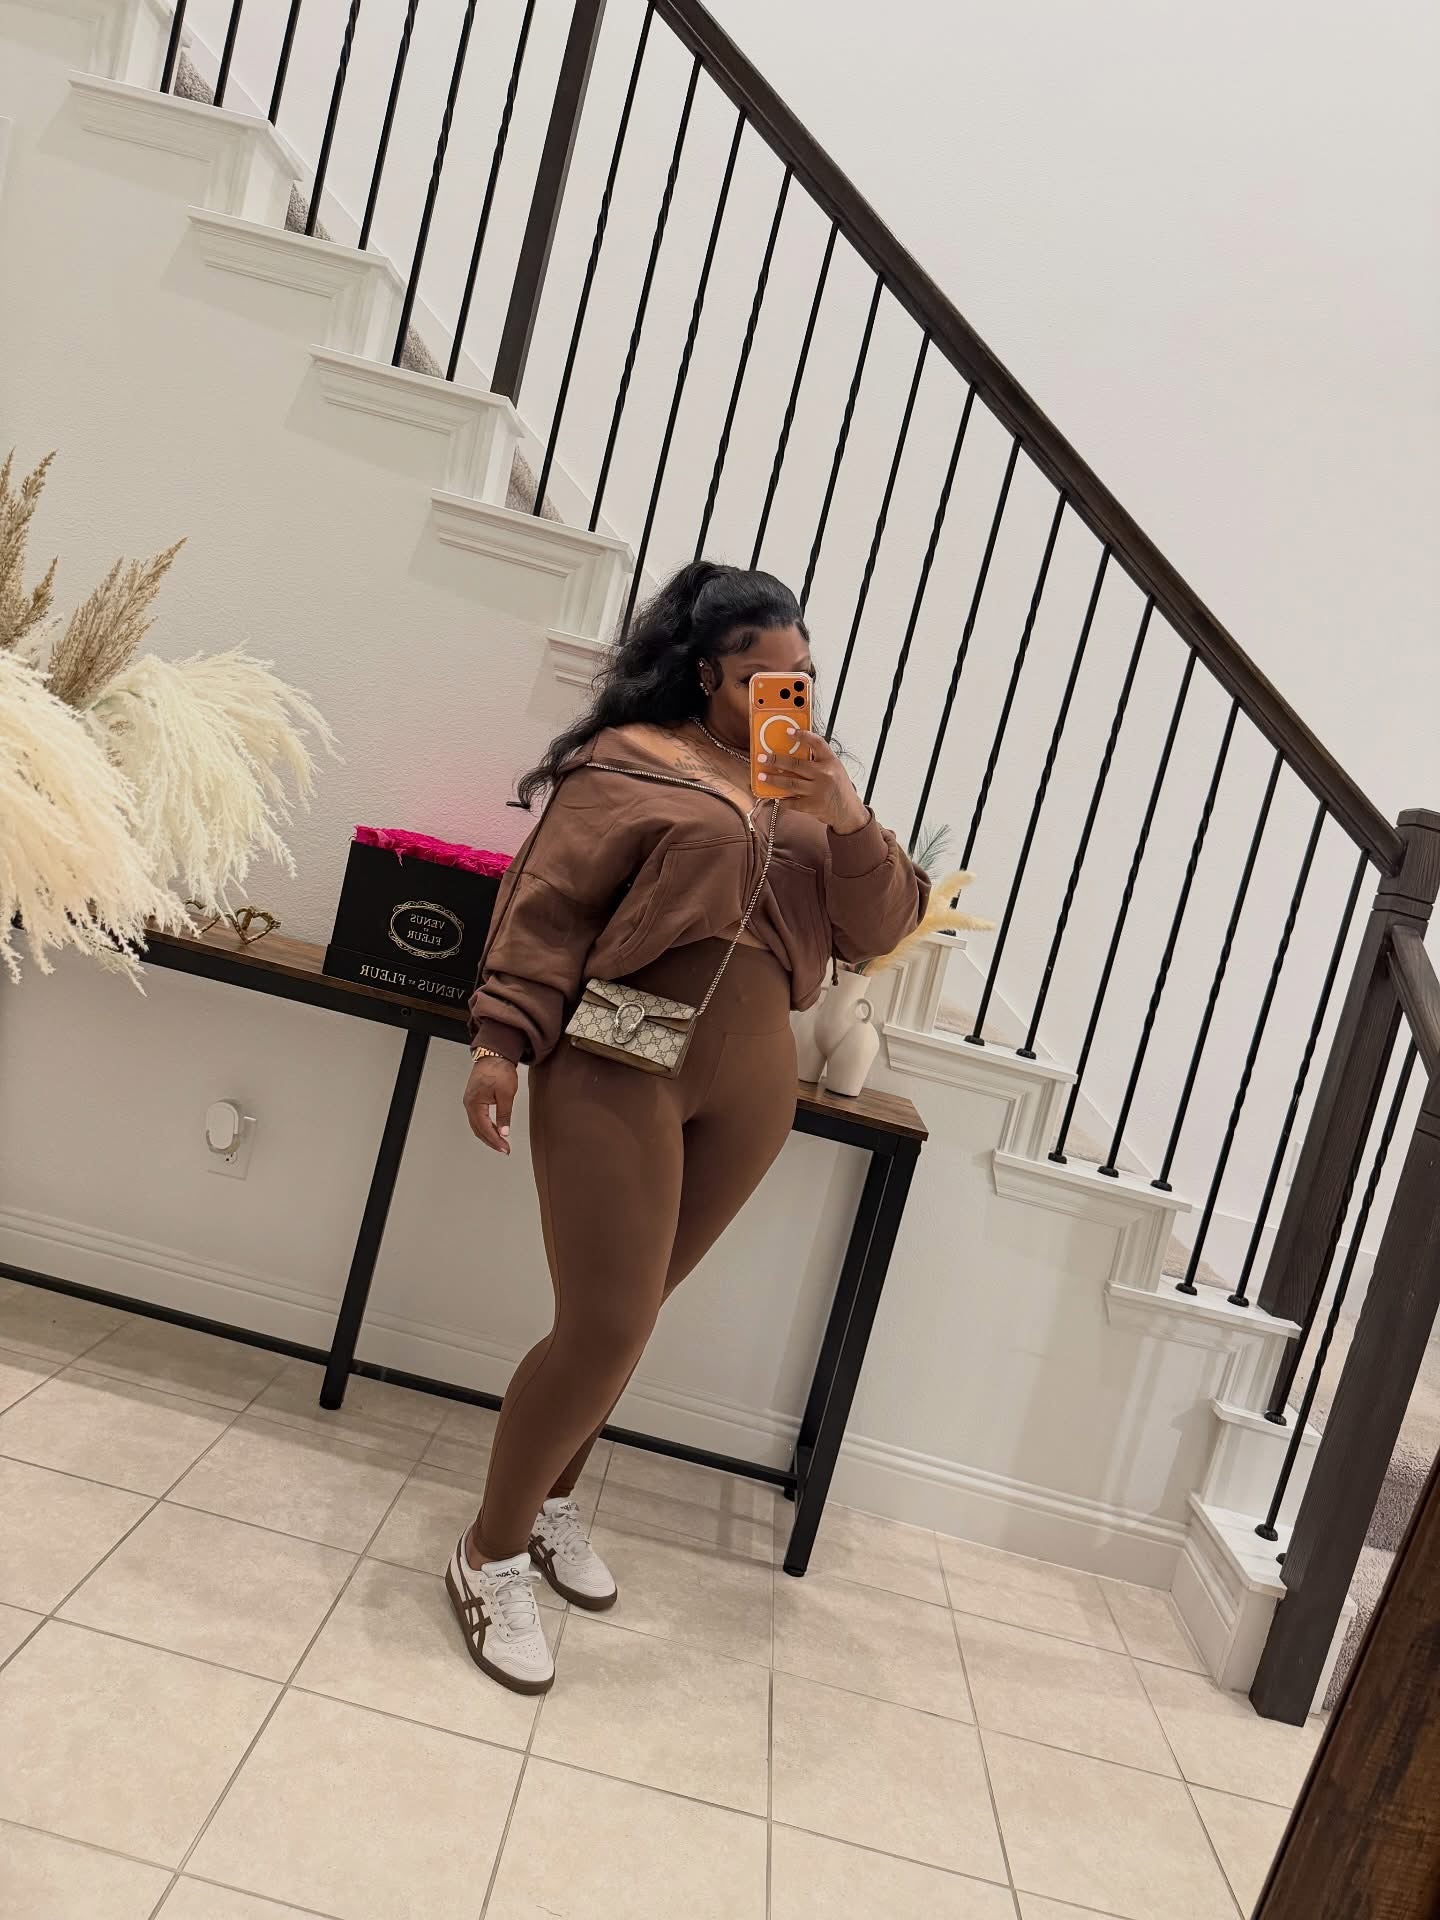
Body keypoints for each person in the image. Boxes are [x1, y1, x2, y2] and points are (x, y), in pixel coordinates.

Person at [448, 560, 928, 1693]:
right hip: (619, 1051)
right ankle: (488, 1552)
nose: (788, 695)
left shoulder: (817, 795)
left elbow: (883, 927)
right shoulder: (628, 760)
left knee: (635, 1319)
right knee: (604, 1322)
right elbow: (549, 906)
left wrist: (848, 815)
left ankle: (550, 1502)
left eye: (804, 675)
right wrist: (499, 1041)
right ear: (708, 670)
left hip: (753, 1082)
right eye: (766, 677)